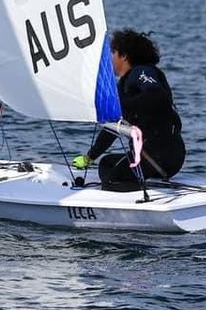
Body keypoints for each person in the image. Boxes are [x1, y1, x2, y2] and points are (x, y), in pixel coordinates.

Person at [72, 28, 184, 191]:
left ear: (123, 56)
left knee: (112, 180)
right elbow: (113, 128)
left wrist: (120, 106)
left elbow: (158, 96)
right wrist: (91, 157)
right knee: (106, 163)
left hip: (159, 154)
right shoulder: (126, 85)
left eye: (113, 52)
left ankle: (142, 204)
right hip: (164, 157)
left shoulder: (141, 72)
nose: (110, 58)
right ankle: (137, 189)